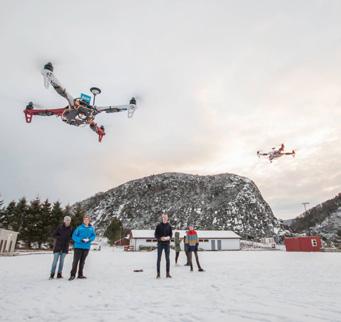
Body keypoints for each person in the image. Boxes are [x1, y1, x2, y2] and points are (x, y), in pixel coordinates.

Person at [69, 214, 96, 281]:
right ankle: (72, 275)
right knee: (75, 261)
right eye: (85, 219)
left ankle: (80, 274)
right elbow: (74, 236)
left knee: (82, 261)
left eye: (87, 219)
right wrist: (80, 239)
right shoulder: (79, 227)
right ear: (83, 220)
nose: (86, 220)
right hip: (78, 246)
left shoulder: (91, 228)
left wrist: (89, 239)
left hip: (86, 247)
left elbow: (93, 236)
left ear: (89, 220)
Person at [154, 213, 172, 278]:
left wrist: (168, 238)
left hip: (167, 244)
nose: (164, 218)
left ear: (167, 218)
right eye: (163, 217)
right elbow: (155, 235)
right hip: (160, 244)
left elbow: (171, 235)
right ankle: (158, 274)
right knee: (159, 259)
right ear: (162, 218)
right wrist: (160, 238)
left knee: (168, 259)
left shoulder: (169, 226)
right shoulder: (158, 226)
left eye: (165, 217)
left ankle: (168, 273)